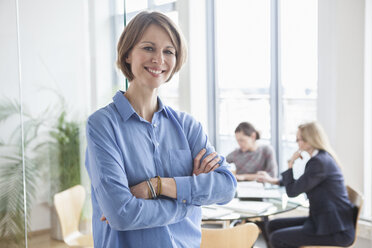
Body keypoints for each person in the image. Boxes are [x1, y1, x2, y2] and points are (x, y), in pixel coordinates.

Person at [84, 11, 237, 248]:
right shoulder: (103, 125)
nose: (159, 59)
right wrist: (189, 198)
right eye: (148, 48)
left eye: (169, 51)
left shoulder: (188, 126)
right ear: (127, 54)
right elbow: (122, 214)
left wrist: (156, 186)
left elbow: (226, 186)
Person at [258, 122, 355, 248]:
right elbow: (304, 183)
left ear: (309, 141)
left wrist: (290, 164)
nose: (297, 142)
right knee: (272, 225)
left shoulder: (319, 162)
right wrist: (274, 181)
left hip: (335, 230)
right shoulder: (322, 158)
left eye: (299, 139)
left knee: (277, 238)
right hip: (323, 220)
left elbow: (292, 192)